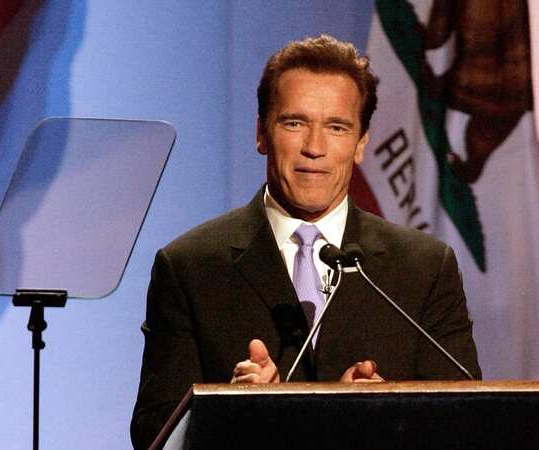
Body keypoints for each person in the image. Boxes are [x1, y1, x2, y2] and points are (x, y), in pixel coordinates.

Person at [130, 35, 481, 449]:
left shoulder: (424, 267)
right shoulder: (190, 265)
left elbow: (469, 424)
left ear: (361, 144)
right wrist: (232, 413)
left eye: (336, 127)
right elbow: (153, 432)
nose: (314, 148)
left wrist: (387, 413)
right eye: (294, 123)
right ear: (262, 133)